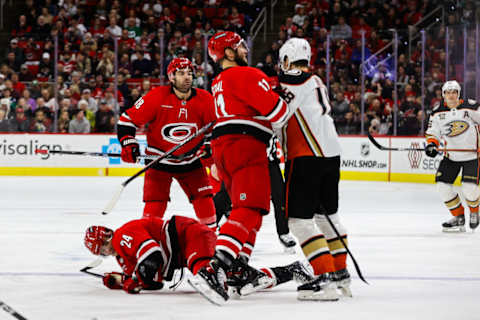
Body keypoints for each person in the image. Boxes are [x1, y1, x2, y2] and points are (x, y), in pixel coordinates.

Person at [189, 31, 291, 304]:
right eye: (240, 47)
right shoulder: (247, 75)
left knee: (252, 211)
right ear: (229, 53)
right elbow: (278, 114)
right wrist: (279, 96)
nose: (246, 50)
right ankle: (217, 266)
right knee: (248, 208)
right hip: (246, 146)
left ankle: (237, 267)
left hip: (227, 150)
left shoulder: (218, 81)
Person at [83, 216, 313, 302]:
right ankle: (294, 270)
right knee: (243, 281)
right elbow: (154, 281)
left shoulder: (123, 235)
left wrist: (135, 279)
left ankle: (215, 277)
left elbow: (151, 259)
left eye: (102, 248)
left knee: (203, 270)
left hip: (187, 236)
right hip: (186, 248)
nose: (106, 251)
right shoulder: (122, 256)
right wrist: (124, 282)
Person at [277, 38, 351, 301]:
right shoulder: (317, 80)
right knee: (326, 216)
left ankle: (324, 279)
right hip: (332, 155)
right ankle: (340, 273)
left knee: (299, 221)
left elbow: (277, 114)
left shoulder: (290, 80)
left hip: (306, 157)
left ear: (286, 60)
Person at [116, 58, 217, 231]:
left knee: (205, 203)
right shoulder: (155, 96)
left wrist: (209, 145)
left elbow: (216, 129)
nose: (187, 77)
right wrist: (128, 142)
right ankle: (150, 244)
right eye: (181, 73)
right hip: (159, 162)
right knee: (154, 209)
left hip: (191, 161)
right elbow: (127, 120)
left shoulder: (206, 99)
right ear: (171, 77)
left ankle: (210, 242)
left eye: (189, 73)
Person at [425, 80, 480, 232]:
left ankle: (474, 211)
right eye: (448, 92)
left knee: (469, 188)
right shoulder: (437, 112)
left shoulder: (471, 106)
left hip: (472, 156)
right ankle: (458, 216)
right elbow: (432, 133)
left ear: (458, 93)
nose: (451, 95)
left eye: (454, 92)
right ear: (443, 95)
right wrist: (431, 145)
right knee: (442, 186)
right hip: (451, 157)